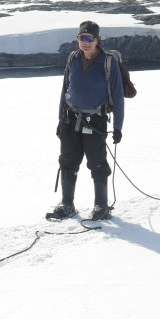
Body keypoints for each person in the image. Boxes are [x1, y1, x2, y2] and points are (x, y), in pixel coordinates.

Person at [50, 21, 125, 220]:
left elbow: (118, 96)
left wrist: (118, 127)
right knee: (68, 161)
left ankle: (101, 206)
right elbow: (64, 89)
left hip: (96, 121)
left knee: (97, 163)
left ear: (97, 40)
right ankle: (67, 204)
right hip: (70, 119)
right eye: (82, 38)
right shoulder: (73, 58)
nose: (85, 42)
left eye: (89, 38)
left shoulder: (108, 62)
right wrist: (60, 119)